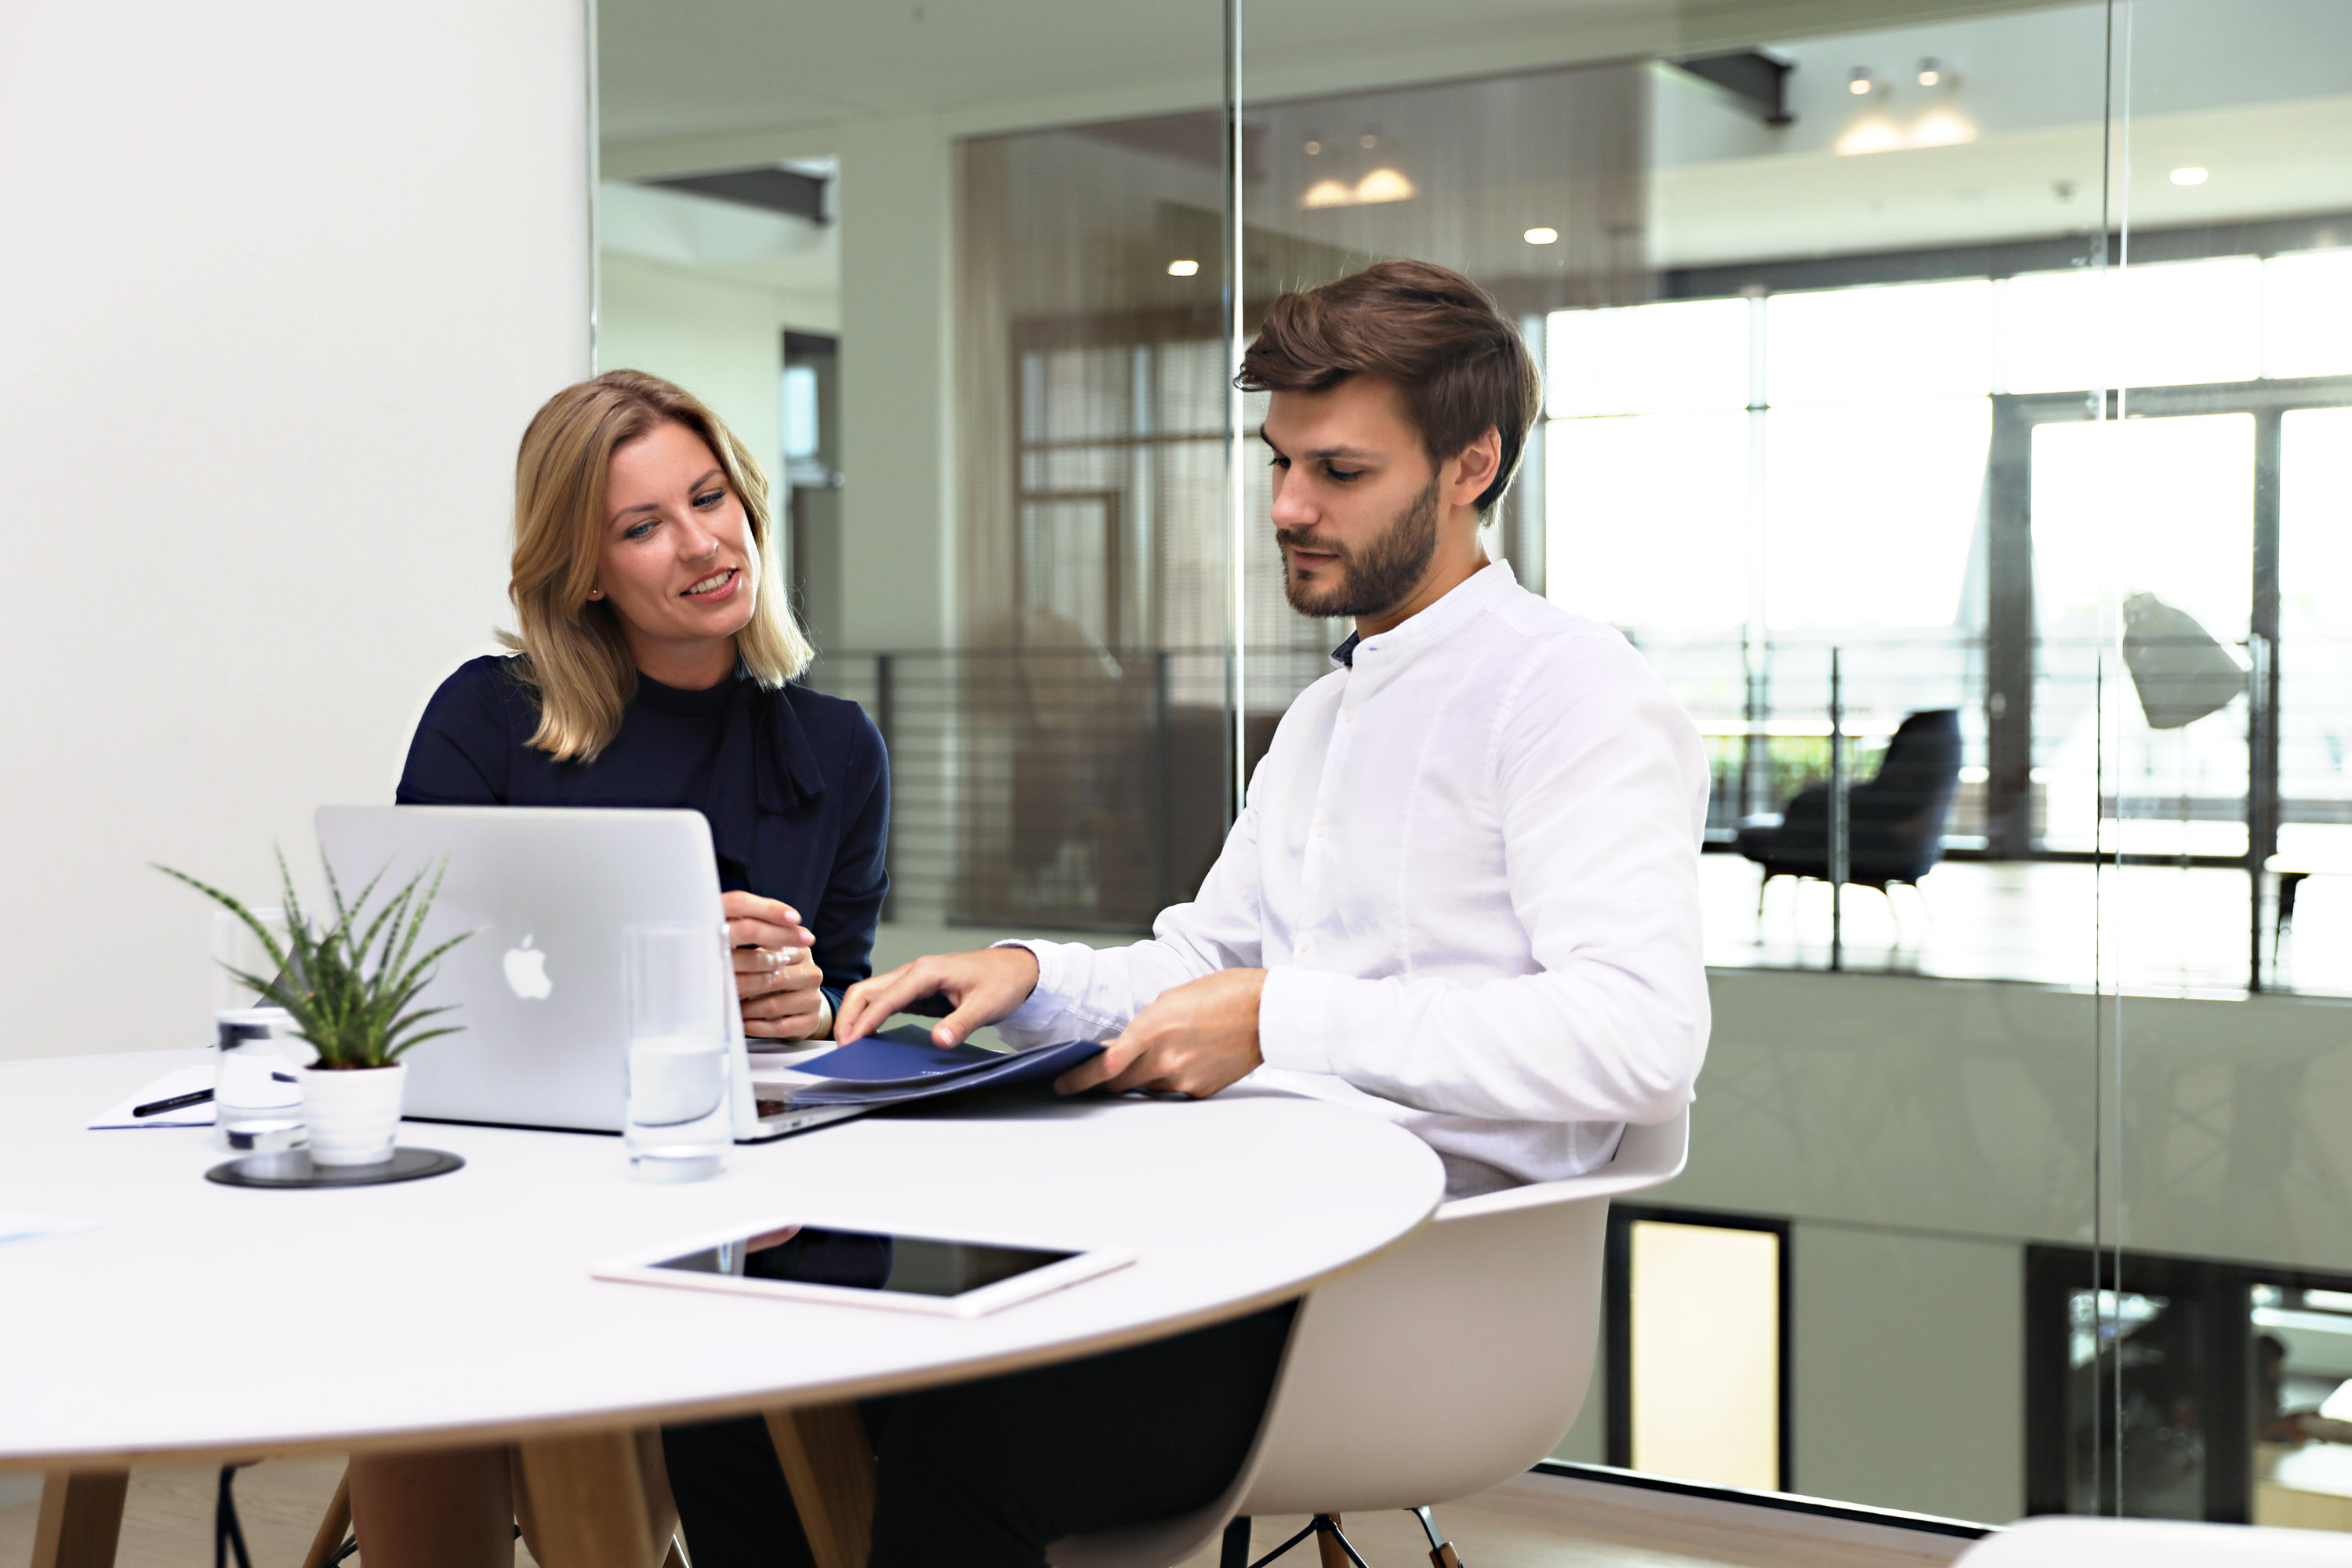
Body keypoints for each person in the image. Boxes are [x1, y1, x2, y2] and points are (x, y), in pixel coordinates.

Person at [669, 260, 1710, 1566]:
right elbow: (1206, 964)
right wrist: (1021, 971)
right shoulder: (1333, 714)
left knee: (960, 1446)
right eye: (1278, 464)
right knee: (745, 1386)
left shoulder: (1572, 696)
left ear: (1470, 465)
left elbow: (1636, 1040)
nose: (1286, 506)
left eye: (1339, 472)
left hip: (1389, 1286)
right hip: (1231, 1224)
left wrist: (1282, 1018)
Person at [350, 368, 889, 1568]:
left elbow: (846, 996)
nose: (701, 544)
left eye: (711, 499)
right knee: (429, 1351)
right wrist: (661, 976)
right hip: (513, 1183)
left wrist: (815, 1007)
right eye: (644, 527)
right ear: (586, 569)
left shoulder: (837, 748)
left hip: (732, 1191)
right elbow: (412, 997)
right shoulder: (490, 721)